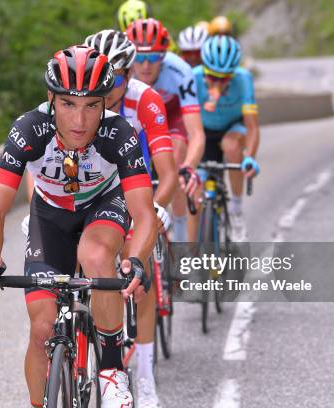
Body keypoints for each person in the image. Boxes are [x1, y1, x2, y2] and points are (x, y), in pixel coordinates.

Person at [0, 45, 157, 408]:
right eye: (68, 104)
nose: (80, 120)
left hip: (103, 206)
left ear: (105, 103)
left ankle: (110, 369)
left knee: (94, 254)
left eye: (92, 105)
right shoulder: (29, 130)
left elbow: (145, 212)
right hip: (50, 216)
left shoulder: (119, 134)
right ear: (50, 99)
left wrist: (136, 259)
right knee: (42, 330)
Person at [85, 29, 177, 408]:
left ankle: (144, 376)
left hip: (135, 185)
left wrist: (154, 209)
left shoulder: (145, 100)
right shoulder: (81, 102)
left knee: (137, 273)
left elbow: (167, 173)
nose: (109, 90)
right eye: (104, 79)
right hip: (92, 189)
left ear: (130, 76)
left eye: (118, 79)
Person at [126, 18, 206, 242]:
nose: (145, 65)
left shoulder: (179, 71)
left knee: (176, 161)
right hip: (138, 121)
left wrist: (189, 168)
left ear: (164, 55)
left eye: (153, 57)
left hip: (171, 118)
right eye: (139, 58)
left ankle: (179, 238)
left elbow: (196, 133)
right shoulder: (122, 72)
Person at [193, 35, 260, 241]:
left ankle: (236, 212)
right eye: (213, 77)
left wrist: (249, 156)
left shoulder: (243, 78)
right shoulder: (193, 77)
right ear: (204, 69)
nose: (219, 82)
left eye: (225, 78)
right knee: (198, 187)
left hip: (233, 126)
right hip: (204, 130)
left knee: (231, 146)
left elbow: (252, 126)